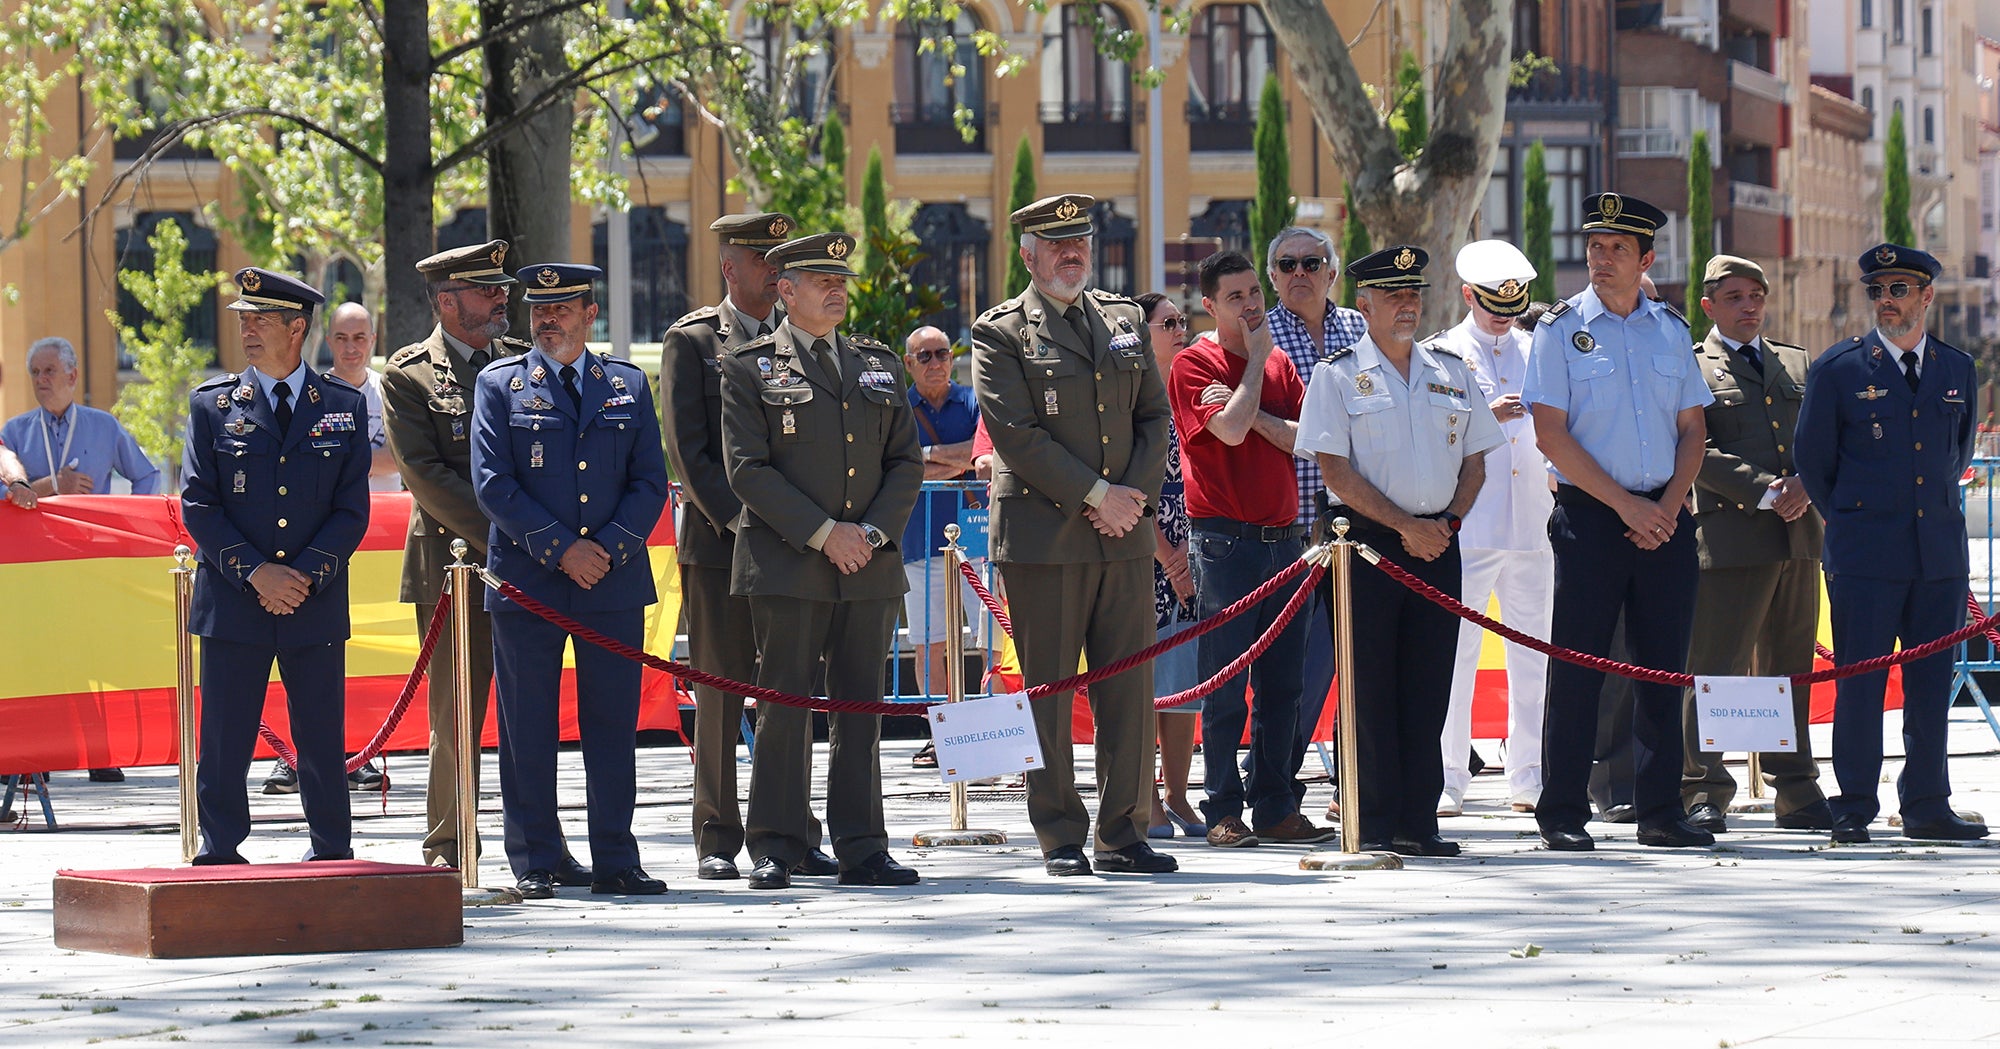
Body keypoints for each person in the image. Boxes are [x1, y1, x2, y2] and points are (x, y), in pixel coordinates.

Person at [971, 193, 1176, 878]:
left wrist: (1132, 499)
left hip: (1123, 536)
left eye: (1081, 242)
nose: (1072, 254)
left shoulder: (1122, 320)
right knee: (1050, 693)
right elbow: (1016, 437)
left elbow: (1154, 416)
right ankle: (1059, 831)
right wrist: (1098, 495)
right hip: (1045, 538)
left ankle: (1125, 831)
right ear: (1028, 256)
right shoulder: (999, 332)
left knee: (1128, 689)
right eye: (1057, 245)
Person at [719, 232, 925, 889]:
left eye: (841, 278)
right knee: (784, 707)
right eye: (819, 280)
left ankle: (863, 844)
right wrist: (824, 533)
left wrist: (865, 532)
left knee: (860, 709)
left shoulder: (877, 363)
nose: (836, 289)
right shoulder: (749, 366)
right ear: (785, 291)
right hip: (790, 563)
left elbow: (905, 461)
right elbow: (747, 469)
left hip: (866, 561)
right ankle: (778, 844)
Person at [381, 239, 589, 881]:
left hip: (528, 567)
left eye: (501, 288)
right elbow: (425, 477)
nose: (503, 298)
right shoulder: (409, 373)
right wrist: (525, 536)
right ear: (447, 302)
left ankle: (542, 850)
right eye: (486, 290)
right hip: (457, 566)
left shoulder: (523, 362)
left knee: (529, 715)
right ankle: (449, 846)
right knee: (456, 713)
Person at [1521, 192, 1716, 852]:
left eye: (1617, 250)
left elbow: (1694, 428)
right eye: (1594, 247)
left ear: (1647, 258)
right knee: (1579, 670)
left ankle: (1662, 808)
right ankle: (1565, 810)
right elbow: (1551, 435)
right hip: (1592, 518)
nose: (1601, 260)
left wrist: (1665, 505)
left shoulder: (1670, 329)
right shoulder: (1558, 330)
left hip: (1665, 516)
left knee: (1664, 667)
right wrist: (1625, 505)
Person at [471, 262, 670, 898]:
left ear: (590, 313)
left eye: (562, 309)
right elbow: (493, 483)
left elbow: (648, 482)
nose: (547, 319)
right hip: (529, 581)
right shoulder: (500, 385)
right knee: (526, 724)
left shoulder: (628, 385)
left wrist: (604, 551)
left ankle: (616, 856)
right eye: (539, 309)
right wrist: (563, 551)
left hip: (609, 582)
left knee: (611, 724)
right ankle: (536, 859)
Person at [1295, 245, 1500, 856]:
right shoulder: (1337, 374)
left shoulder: (1450, 369)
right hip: (1366, 546)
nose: (1407, 305)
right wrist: (1403, 524)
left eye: (1414, 294)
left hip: (1440, 542)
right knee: (1370, 688)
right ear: (1364, 304)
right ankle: (1372, 818)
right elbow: (1336, 472)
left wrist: (1449, 522)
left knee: (1429, 682)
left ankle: (1419, 819)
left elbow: (1475, 459)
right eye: (1393, 295)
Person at [662, 211, 841, 881]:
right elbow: (690, 451)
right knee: (720, 692)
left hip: (796, 552)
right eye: (759, 258)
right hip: (721, 546)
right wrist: (754, 523)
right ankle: (716, 833)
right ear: (728, 267)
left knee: (790, 691)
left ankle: (792, 831)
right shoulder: (693, 341)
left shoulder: (804, 340)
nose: (772, 270)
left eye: (780, 260)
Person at [1795, 243, 1988, 844]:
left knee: (1931, 684)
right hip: (1865, 555)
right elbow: (1813, 461)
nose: (1886, 301)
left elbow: (1956, 455)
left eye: (1898, 290)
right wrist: (1854, 521)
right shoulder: (1840, 369)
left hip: (1937, 554)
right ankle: (1854, 804)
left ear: (1926, 296)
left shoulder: (1956, 369)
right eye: (1876, 291)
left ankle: (1928, 804)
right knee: (1862, 681)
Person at [180, 267, 369, 863]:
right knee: (226, 737)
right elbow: (199, 504)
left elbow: (350, 509)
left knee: (320, 737)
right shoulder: (213, 405)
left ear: (298, 327)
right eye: (243, 319)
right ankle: (221, 850)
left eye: (261, 320)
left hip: (312, 600)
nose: (248, 330)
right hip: (236, 600)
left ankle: (332, 850)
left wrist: (304, 574)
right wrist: (255, 572)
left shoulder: (341, 406)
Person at [1169, 250, 1333, 848]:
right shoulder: (1193, 364)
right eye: (1235, 297)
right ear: (1209, 306)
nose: (1250, 305)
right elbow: (1230, 431)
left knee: (1284, 686)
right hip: (1224, 542)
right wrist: (1257, 367)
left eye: (1253, 294)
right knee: (1225, 684)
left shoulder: (1284, 364)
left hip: (1287, 540)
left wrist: (1253, 398)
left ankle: (1275, 803)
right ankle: (1222, 808)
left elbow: (1305, 440)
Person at [1680, 255, 1832, 833]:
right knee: (1714, 667)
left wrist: (1805, 485)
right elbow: (1695, 446)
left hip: (1798, 536)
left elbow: (1821, 435)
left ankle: (1795, 788)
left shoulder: (1794, 362)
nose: (1749, 307)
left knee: (1788, 667)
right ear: (1710, 306)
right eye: (1736, 297)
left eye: (1756, 296)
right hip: (1733, 535)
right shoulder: (1693, 365)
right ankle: (1703, 787)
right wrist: (1769, 490)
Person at [259, 302, 397, 796]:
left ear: (373, 339)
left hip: (381, 534)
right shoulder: (312, 394)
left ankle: (359, 747)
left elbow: (401, 457)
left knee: (362, 653)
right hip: (319, 540)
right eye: (341, 338)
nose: (351, 348)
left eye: (359, 338)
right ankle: (292, 754)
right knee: (297, 650)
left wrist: (342, 463)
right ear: (327, 341)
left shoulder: (390, 392)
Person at [1437, 240, 1554, 816]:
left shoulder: (1539, 349)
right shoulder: (1443, 355)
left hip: (1533, 520)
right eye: (1491, 308)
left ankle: (1528, 775)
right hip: (1471, 523)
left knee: (1533, 655)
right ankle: (1448, 775)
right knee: (1455, 656)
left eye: (1511, 308)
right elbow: (1433, 436)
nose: (1503, 319)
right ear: (1468, 297)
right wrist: (1488, 416)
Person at [1263, 227, 1368, 798]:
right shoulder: (1257, 333)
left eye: (1311, 262)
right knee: (1296, 666)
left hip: (1362, 521)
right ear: (1273, 275)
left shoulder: (1360, 327)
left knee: (1357, 658)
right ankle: (1273, 784)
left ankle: (1354, 788)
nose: (1299, 273)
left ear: (1332, 270)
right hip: (1287, 524)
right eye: (1287, 264)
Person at [1136, 292, 1203, 840]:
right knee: (1143, 683)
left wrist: (1186, 560)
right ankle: (1147, 798)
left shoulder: (1192, 387)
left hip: (1195, 551)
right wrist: (1167, 555)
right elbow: (1132, 490)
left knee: (1185, 684)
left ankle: (1179, 794)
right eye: (1168, 323)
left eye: (1184, 321)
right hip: (1143, 556)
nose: (1181, 330)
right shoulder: (1130, 395)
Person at [899, 325, 987, 704]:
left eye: (943, 354)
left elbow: (986, 454)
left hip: (977, 540)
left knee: (991, 641)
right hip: (919, 541)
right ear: (908, 363)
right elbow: (899, 469)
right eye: (925, 356)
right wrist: (959, 458)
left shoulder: (974, 402)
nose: (936, 363)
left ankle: (993, 729)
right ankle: (941, 736)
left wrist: (927, 455)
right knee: (929, 644)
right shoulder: (897, 410)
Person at [3, 337, 159, 498]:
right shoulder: (14, 432)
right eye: (35, 372)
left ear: (72, 376)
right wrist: (54, 484)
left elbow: (147, 476)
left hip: (90, 524)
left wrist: (129, 520)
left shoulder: (105, 427)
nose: (40, 378)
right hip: (36, 524)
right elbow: (4, 494)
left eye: (49, 370)